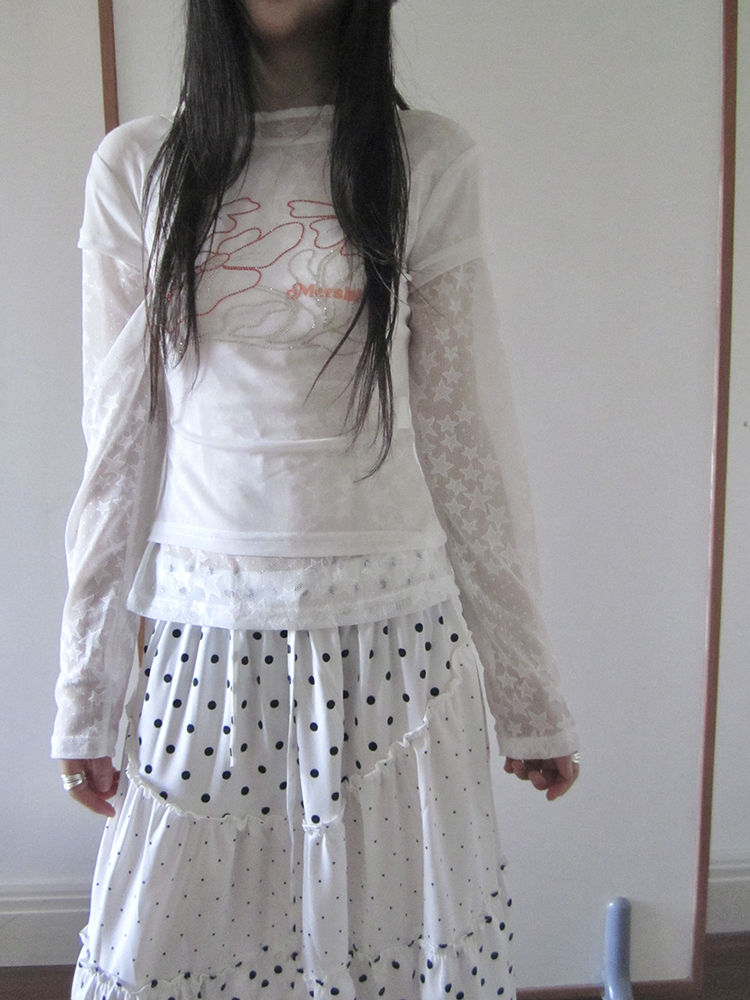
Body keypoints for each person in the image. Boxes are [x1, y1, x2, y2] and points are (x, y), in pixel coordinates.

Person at [52, 1, 579, 998]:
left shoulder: (427, 159)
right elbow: (117, 443)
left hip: (395, 639)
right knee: (168, 951)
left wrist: (528, 691)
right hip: (207, 635)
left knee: (391, 948)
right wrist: (87, 693)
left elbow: (465, 433)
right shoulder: (138, 167)